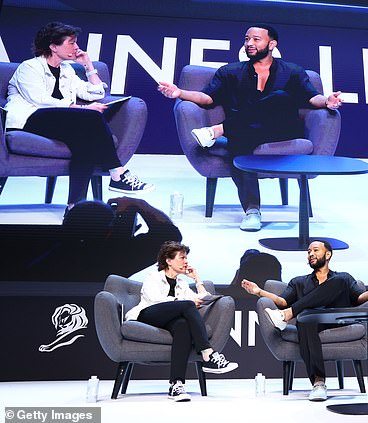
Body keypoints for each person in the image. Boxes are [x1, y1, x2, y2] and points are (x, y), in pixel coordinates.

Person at [158, 23, 343, 232]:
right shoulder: (230, 72)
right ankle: (252, 211)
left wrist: (327, 100)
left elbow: (312, 98)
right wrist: (179, 93)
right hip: (245, 132)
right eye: (247, 39)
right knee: (239, 140)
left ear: (272, 44)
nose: (249, 44)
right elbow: (207, 98)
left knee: (280, 98)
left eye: (256, 39)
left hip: (281, 131)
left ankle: (220, 130)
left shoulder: (292, 71)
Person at [4, 22, 153, 211]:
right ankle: (117, 172)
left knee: (86, 141)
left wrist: (88, 65)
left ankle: (75, 207)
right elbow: (39, 99)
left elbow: (96, 93)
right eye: (71, 43)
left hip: (57, 121)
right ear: (53, 46)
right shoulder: (30, 67)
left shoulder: (67, 70)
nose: (76, 48)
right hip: (29, 119)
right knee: (90, 118)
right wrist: (80, 108)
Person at [241, 240, 368, 401]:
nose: (311, 254)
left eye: (315, 250)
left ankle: (287, 315)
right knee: (305, 319)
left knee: (335, 283)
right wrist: (259, 291)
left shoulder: (343, 278)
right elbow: (282, 302)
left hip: (337, 318)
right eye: (308, 251)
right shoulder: (298, 281)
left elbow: (359, 298)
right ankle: (318, 383)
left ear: (328, 254)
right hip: (311, 322)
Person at [124, 241, 239, 401]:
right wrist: (184, 302)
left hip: (168, 319)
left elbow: (202, 298)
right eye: (182, 258)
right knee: (187, 305)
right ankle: (207, 353)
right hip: (148, 314)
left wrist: (196, 278)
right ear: (168, 260)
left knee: (182, 326)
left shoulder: (182, 283)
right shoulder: (153, 277)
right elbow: (155, 300)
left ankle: (176, 385)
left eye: (186, 258)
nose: (186, 261)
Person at [18, 197, 182, 282]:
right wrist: (139, 204)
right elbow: (170, 237)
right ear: (108, 232)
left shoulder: (46, 252)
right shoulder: (117, 258)